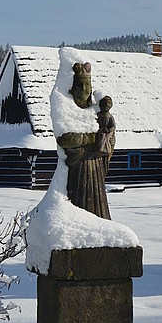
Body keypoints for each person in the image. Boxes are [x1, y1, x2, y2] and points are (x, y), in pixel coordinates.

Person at [56, 62, 111, 219]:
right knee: (79, 208)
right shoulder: (65, 107)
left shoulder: (94, 110)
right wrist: (92, 138)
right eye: (81, 85)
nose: (85, 91)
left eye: (87, 86)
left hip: (95, 167)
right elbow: (65, 139)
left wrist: (105, 132)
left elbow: (109, 135)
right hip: (78, 170)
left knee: (99, 208)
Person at [95, 95, 116, 172]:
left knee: (106, 155)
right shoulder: (98, 115)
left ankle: (104, 168)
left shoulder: (110, 117)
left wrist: (108, 130)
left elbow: (113, 126)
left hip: (108, 139)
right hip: (100, 137)